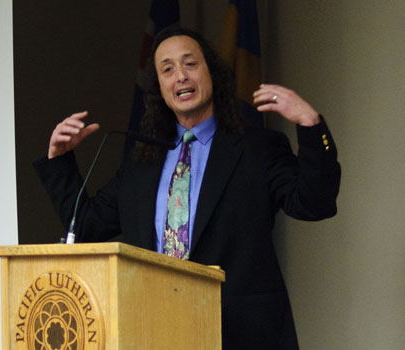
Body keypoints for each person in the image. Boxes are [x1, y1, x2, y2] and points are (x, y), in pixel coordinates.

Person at [33, 26, 340, 350]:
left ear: (212, 73)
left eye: (190, 64)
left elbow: (313, 203)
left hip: (243, 336)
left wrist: (310, 125)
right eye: (168, 69)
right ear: (160, 89)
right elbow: (84, 227)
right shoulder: (141, 162)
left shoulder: (257, 148)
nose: (180, 76)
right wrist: (60, 159)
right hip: (155, 332)